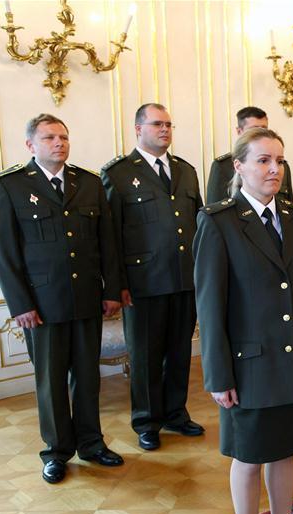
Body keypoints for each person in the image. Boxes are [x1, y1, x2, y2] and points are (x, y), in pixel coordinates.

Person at [194, 128, 293, 514]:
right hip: (247, 366)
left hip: (292, 360)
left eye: (280, 161)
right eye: (264, 161)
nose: (274, 169)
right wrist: (217, 375)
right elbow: (210, 308)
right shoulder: (219, 222)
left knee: (285, 450)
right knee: (249, 459)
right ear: (239, 167)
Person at [0, 114, 124, 484]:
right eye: (49, 138)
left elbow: (107, 242)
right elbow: (3, 252)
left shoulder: (89, 183)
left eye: (63, 137)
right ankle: (56, 452)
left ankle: (92, 444)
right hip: (42, 306)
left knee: (87, 377)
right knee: (50, 381)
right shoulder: (11, 185)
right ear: (31, 145)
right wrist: (20, 305)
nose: (59, 143)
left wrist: (111, 290)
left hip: (85, 300)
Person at [101, 103, 205, 451]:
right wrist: (117, 285)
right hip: (142, 284)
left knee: (179, 352)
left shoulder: (186, 171)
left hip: (184, 279)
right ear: (138, 129)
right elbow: (110, 236)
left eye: (169, 124)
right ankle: (146, 421)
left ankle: (176, 413)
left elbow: (198, 227)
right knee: (145, 356)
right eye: (157, 124)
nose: (165, 130)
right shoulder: (117, 174)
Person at [206, 106, 293, 204]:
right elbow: (216, 207)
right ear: (239, 131)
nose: (260, 133)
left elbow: (288, 206)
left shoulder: (281, 166)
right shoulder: (222, 166)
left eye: (264, 129)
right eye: (254, 129)